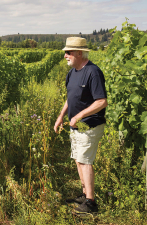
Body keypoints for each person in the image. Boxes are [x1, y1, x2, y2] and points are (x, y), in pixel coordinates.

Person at [54, 37, 108, 215]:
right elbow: (71, 99)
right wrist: (61, 116)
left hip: (89, 126)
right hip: (76, 127)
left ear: (79, 53)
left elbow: (101, 101)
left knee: (85, 161)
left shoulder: (93, 72)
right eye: (65, 52)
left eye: (68, 52)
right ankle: (85, 194)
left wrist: (79, 116)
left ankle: (91, 203)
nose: (65, 56)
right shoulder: (72, 73)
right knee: (78, 159)